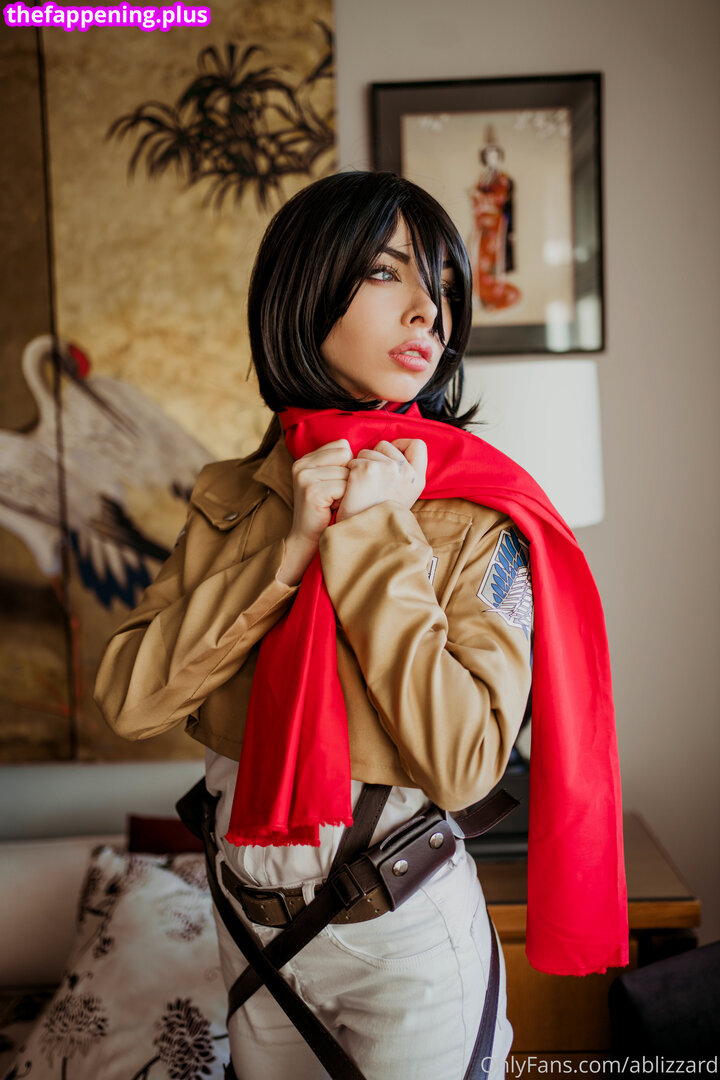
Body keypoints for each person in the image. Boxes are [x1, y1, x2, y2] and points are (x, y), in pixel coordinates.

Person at [94, 170, 626, 1080]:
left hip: (405, 938)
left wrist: (375, 534)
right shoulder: (232, 496)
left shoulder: (478, 513)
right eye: (387, 272)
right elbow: (130, 699)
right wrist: (290, 550)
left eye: (443, 286)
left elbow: (465, 762)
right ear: (303, 288)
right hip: (251, 935)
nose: (428, 311)